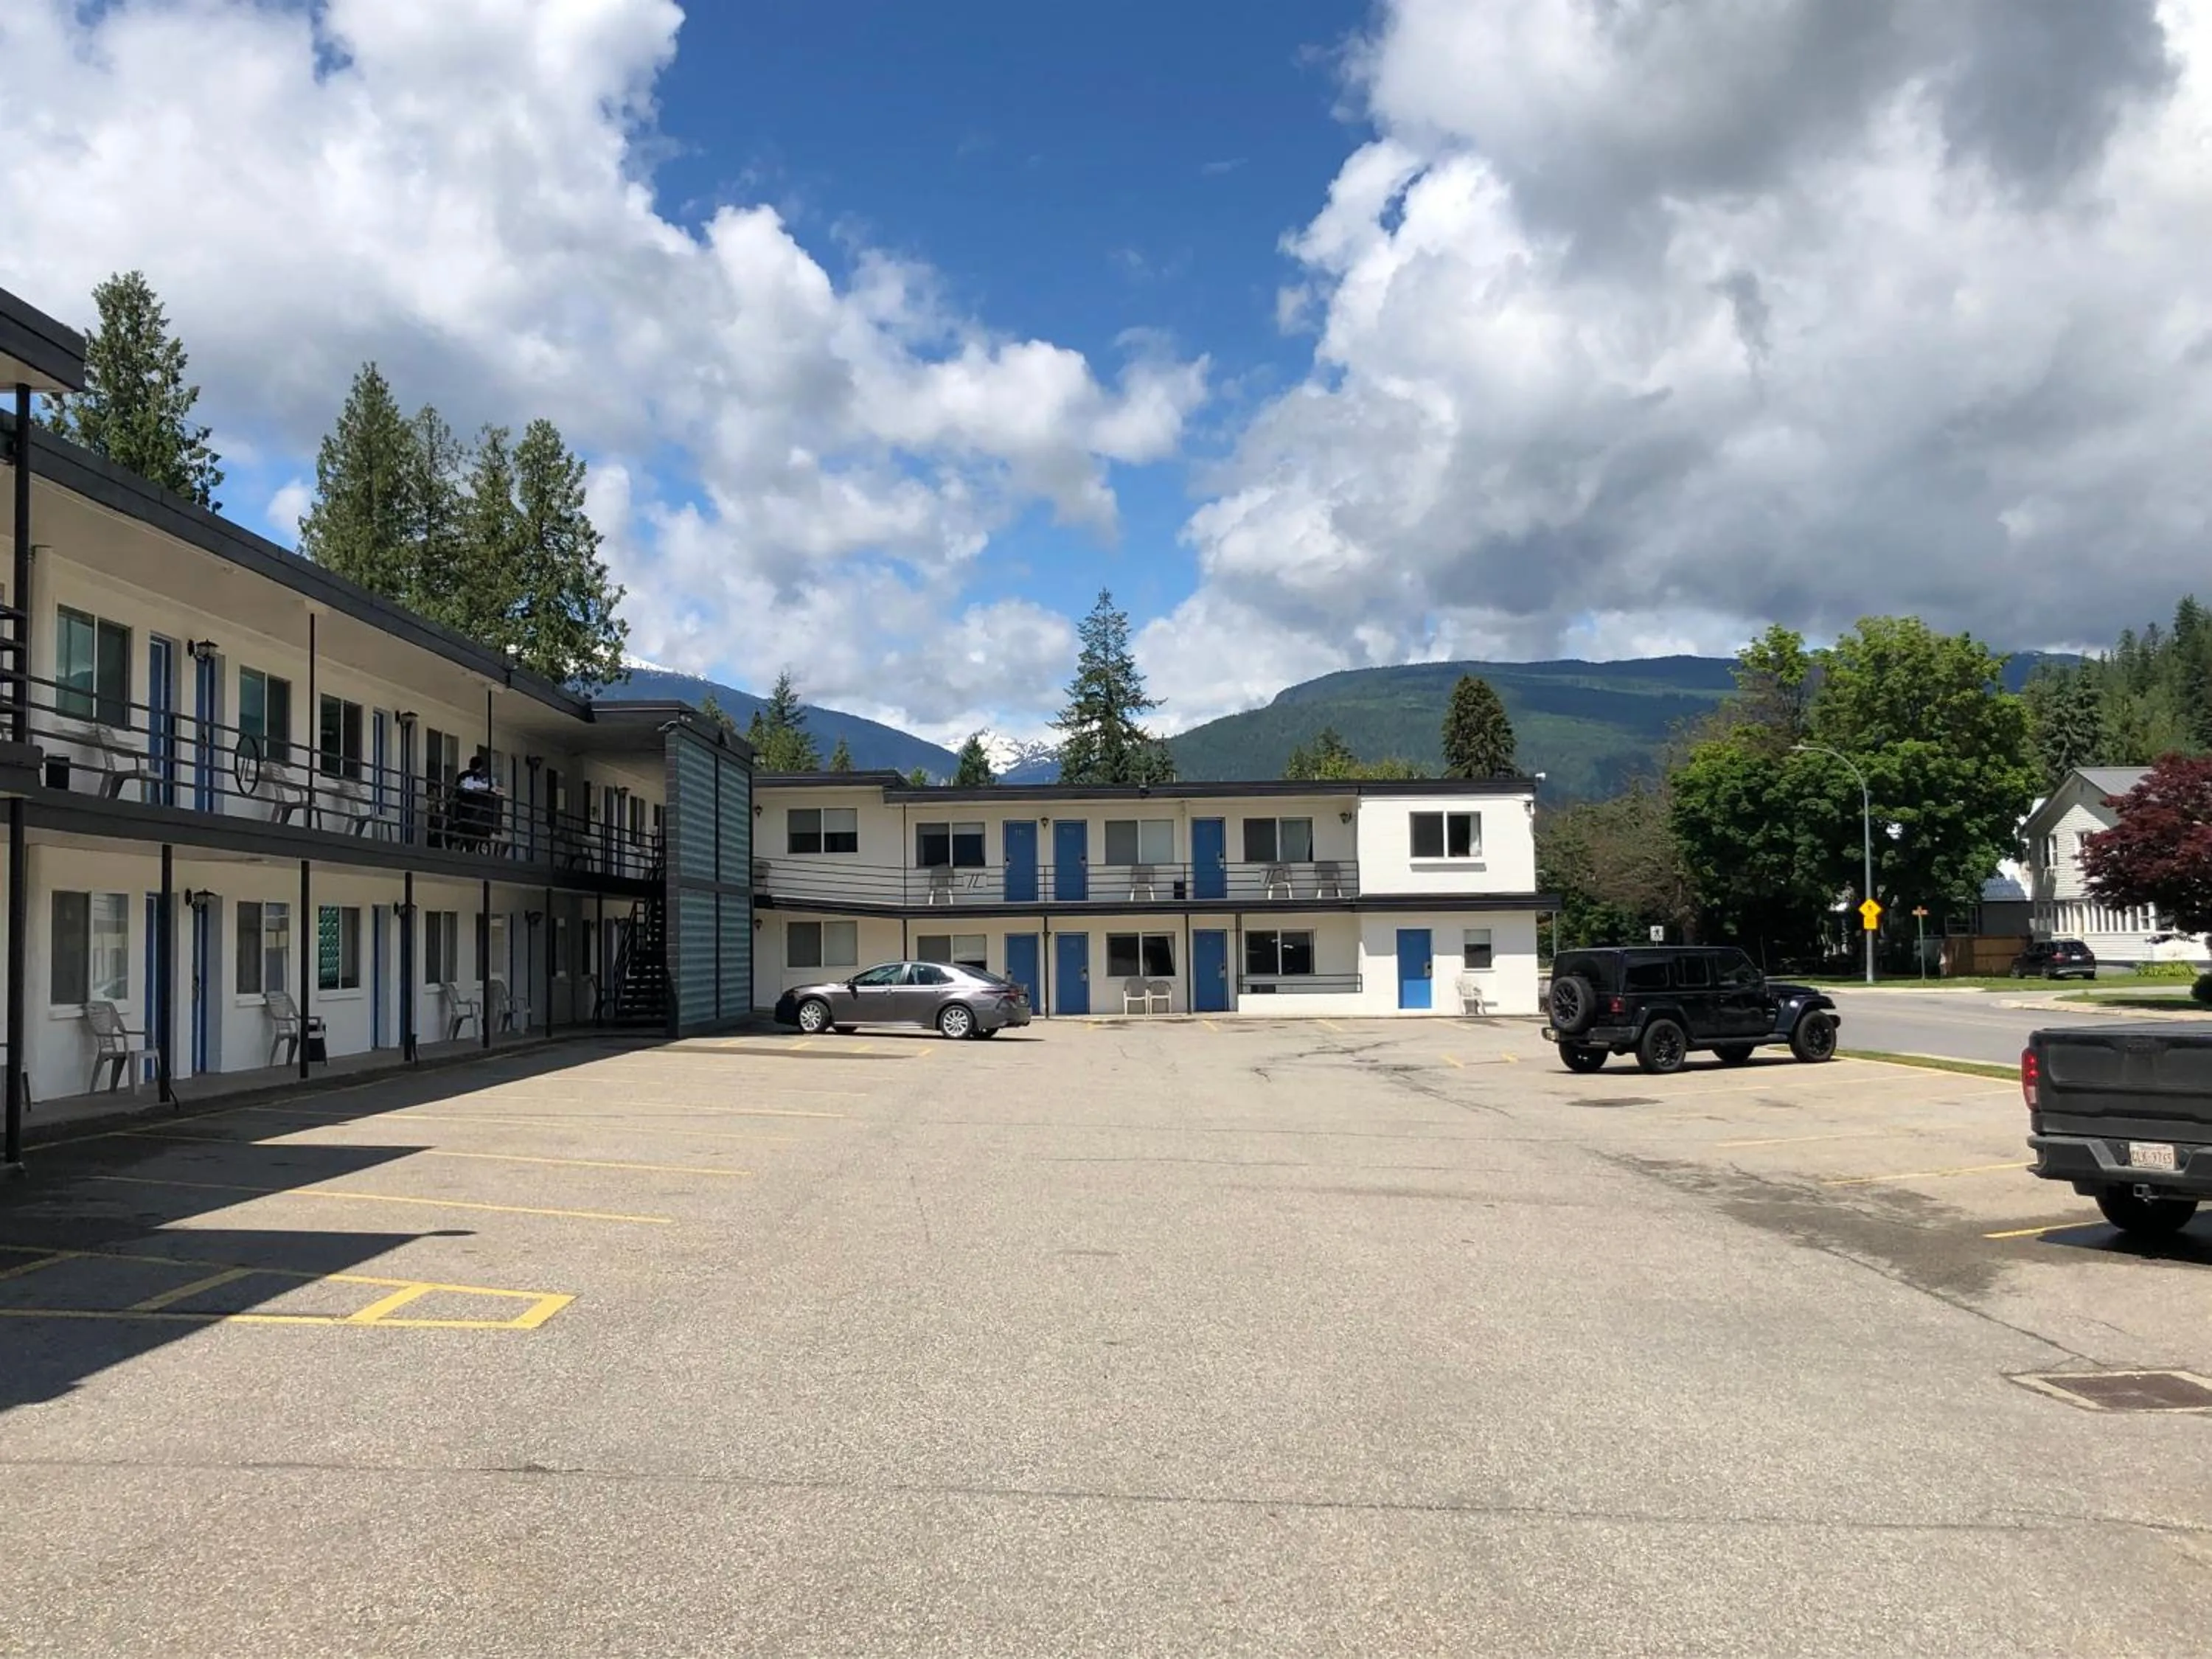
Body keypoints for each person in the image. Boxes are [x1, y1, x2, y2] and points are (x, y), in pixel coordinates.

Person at [456, 753, 500, 849]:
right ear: (481, 767)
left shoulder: (462, 776)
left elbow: (458, 793)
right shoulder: (484, 780)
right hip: (480, 819)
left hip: (463, 815)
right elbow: (494, 794)